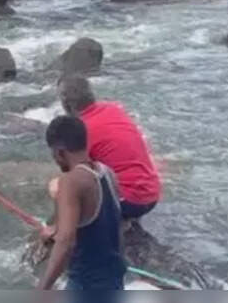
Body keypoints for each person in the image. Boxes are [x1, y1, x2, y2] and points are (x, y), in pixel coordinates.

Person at [37, 115, 126, 292]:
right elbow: (111, 223)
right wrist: (56, 229)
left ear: (60, 152)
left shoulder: (70, 182)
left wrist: (42, 289)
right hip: (115, 278)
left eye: (54, 154)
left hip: (87, 284)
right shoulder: (107, 172)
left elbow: (66, 243)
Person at [53, 75, 161, 221]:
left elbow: (75, 175)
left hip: (131, 202)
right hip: (152, 194)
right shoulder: (114, 108)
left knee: (58, 187)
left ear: (66, 103)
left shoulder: (80, 130)